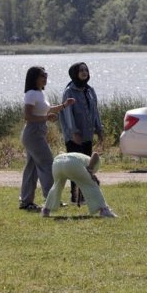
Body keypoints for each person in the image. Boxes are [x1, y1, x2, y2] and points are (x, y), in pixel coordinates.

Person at [19, 66, 75, 211]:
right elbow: (28, 116)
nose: (45, 78)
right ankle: (52, 200)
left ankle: (26, 202)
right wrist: (46, 118)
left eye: (46, 75)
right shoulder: (31, 94)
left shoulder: (39, 93)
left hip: (37, 133)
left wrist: (64, 105)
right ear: (34, 78)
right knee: (48, 165)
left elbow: (47, 110)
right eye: (42, 76)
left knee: (32, 169)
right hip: (33, 133)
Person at [59, 62, 105, 204]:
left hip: (87, 135)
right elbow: (67, 114)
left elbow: (95, 111)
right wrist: (74, 133)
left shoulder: (89, 90)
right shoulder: (69, 91)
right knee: (75, 168)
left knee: (87, 167)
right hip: (75, 137)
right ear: (74, 73)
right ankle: (75, 197)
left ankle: (84, 196)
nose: (84, 72)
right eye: (81, 70)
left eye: (86, 70)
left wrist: (99, 129)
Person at [41, 152, 117, 218]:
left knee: (56, 186)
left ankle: (46, 209)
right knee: (92, 185)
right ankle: (104, 210)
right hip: (71, 163)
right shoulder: (94, 161)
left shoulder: (81, 158)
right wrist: (90, 171)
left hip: (57, 162)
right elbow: (95, 154)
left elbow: (80, 183)